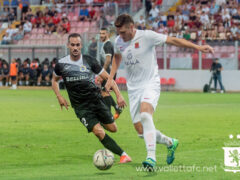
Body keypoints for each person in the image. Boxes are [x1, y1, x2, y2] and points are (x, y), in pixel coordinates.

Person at [105, 14, 214, 170]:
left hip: (150, 83)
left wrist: (198, 48)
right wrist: (111, 77)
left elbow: (173, 40)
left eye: (123, 32)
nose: (121, 36)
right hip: (133, 89)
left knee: (145, 115)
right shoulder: (118, 41)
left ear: (131, 27)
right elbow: (117, 57)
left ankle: (151, 158)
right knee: (141, 131)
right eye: (118, 33)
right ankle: (170, 142)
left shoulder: (147, 36)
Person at [52, 33, 132, 163]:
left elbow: (108, 78)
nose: (75, 48)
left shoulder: (89, 60)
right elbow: (54, 81)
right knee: (99, 132)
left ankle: (97, 122)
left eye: (77, 45)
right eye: (72, 45)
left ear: (81, 45)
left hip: (96, 100)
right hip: (81, 107)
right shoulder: (61, 64)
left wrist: (119, 95)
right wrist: (59, 96)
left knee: (113, 129)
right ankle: (123, 155)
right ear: (68, 45)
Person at [98, 28, 122, 120]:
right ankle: (116, 108)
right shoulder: (106, 44)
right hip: (108, 72)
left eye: (103, 33)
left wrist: (101, 73)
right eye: (100, 33)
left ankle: (108, 116)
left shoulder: (107, 45)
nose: (101, 35)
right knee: (104, 92)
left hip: (108, 72)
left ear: (107, 34)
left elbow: (108, 60)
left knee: (105, 92)